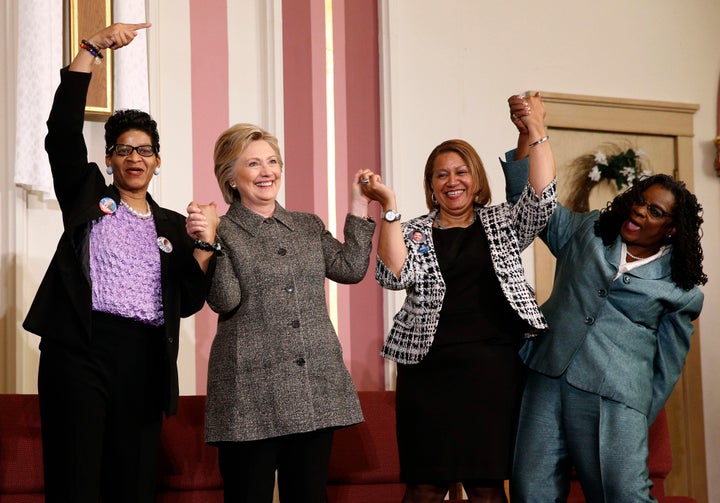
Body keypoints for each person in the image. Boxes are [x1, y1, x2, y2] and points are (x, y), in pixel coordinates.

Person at [21, 23, 218, 503]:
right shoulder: (87, 195)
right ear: (108, 160)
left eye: (145, 151)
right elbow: (62, 132)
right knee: (77, 480)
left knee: (131, 483)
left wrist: (206, 244)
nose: (135, 158)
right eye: (124, 150)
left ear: (157, 161)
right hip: (81, 352)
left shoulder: (172, 224)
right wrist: (91, 49)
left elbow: (189, 301)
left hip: (144, 359)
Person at [358, 93, 557, 503]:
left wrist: (535, 130)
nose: (453, 182)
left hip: (492, 371)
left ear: (477, 178)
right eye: (441, 175)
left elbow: (541, 201)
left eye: (461, 171)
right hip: (427, 373)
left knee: (485, 484)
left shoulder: (501, 221)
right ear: (431, 185)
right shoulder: (413, 231)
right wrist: (390, 207)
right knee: (425, 485)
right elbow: (392, 275)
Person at [506, 104, 707, 502]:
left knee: (623, 495)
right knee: (532, 492)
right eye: (639, 200)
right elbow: (530, 205)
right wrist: (528, 132)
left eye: (655, 212)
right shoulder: (587, 232)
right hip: (547, 376)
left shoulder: (681, 290)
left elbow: (667, 365)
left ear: (670, 229)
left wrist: (635, 415)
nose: (639, 210)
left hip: (615, 398)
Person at [185, 123, 376, 502]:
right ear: (231, 177)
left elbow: (351, 268)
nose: (267, 171)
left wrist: (359, 203)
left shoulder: (306, 225)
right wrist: (211, 241)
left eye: (273, 161)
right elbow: (224, 300)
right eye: (253, 163)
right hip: (248, 392)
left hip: (313, 388)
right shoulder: (222, 230)